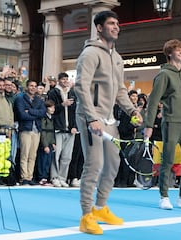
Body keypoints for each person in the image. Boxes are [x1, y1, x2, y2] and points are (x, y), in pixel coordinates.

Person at [74, 11, 142, 235]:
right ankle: (86, 216)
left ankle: (101, 208)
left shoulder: (117, 57)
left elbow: (120, 90)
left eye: (117, 23)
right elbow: (81, 86)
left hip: (109, 118)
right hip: (90, 116)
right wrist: (91, 117)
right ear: (99, 28)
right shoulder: (91, 53)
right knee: (94, 165)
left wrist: (132, 109)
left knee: (112, 165)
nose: (116, 27)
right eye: (111, 23)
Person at [143, 39, 181, 210]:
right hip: (171, 122)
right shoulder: (163, 75)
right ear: (169, 53)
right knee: (167, 161)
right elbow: (153, 101)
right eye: (177, 50)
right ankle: (164, 196)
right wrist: (148, 125)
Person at [47, 72, 77, 188]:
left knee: (67, 156)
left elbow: (74, 112)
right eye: (63, 79)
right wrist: (62, 105)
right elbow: (51, 109)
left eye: (66, 79)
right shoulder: (53, 93)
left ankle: (62, 177)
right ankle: (54, 177)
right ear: (59, 80)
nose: (65, 81)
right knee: (56, 154)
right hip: (58, 128)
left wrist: (74, 126)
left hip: (70, 130)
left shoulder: (71, 93)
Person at [14, 79, 46, 185]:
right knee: (25, 154)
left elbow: (42, 113)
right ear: (27, 87)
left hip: (36, 130)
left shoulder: (39, 100)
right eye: (31, 86)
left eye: (35, 86)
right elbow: (22, 115)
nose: (33, 88)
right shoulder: (20, 99)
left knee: (33, 155)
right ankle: (24, 177)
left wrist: (30, 111)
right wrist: (34, 114)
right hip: (25, 129)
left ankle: (30, 176)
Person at [36, 99, 56, 186]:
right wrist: (45, 145)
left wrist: (53, 142)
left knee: (48, 161)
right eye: (51, 107)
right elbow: (43, 132)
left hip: (50, 142)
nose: (53, 109)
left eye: (53, 107)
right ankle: (41, 177)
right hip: (45, 143)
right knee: (43, 161)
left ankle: (46, 177)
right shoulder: (44, 118)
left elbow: (52, 132)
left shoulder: (51, 119)